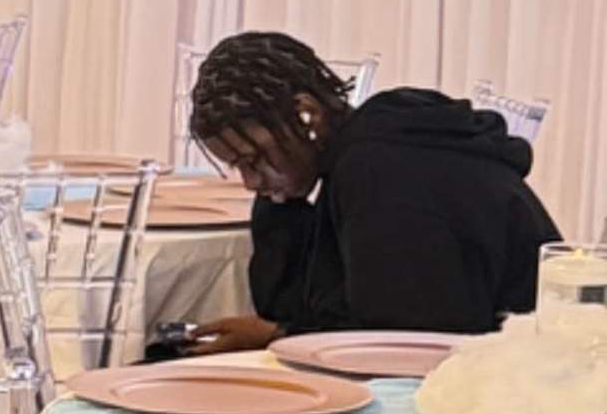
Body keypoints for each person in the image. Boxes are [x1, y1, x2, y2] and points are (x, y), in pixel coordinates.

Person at [188, 33, 557, 335]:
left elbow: (402, 337)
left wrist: (276, 336)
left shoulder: (381, 168)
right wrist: (280, 204)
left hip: (529, 376)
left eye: (254, 160)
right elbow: (289, 304)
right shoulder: (347, 163)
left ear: (307, 114)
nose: (250, 183)